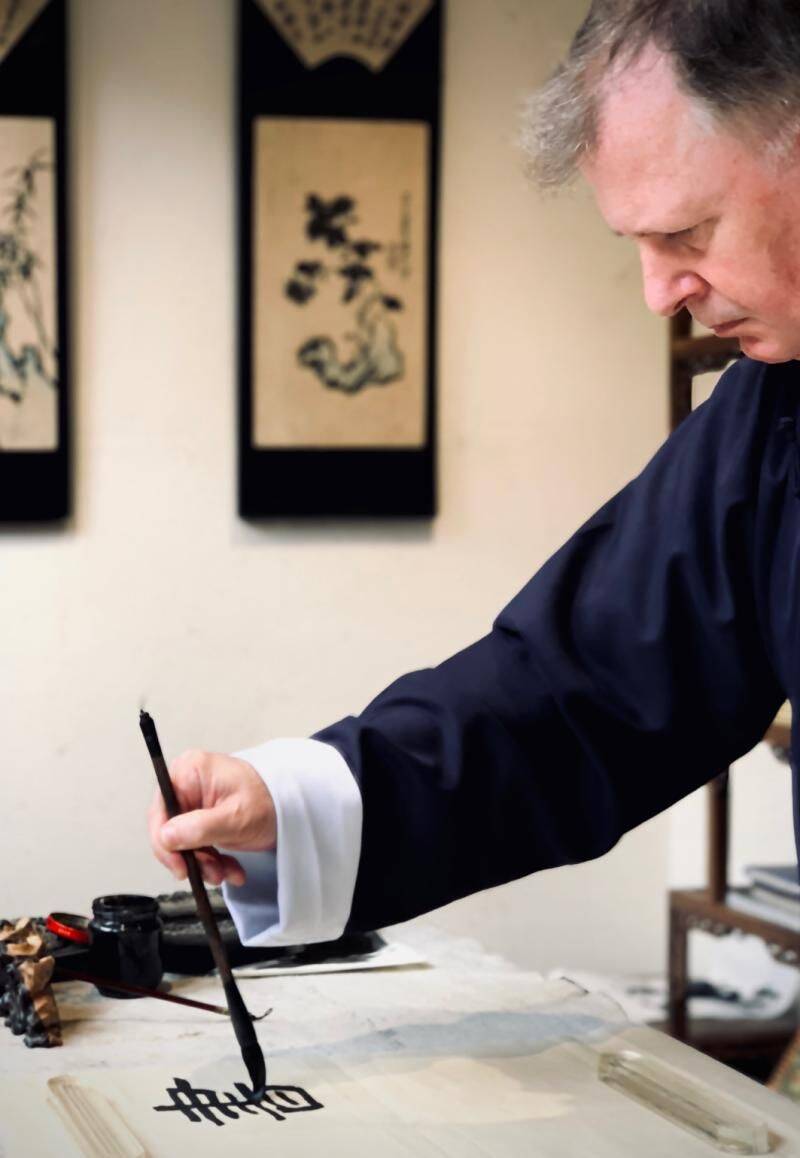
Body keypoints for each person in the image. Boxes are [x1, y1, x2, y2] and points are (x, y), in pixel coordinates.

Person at [149, 0, 800, 946]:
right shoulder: (777, 413)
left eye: (688, 234)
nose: (662, 294)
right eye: (640, 247)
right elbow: (586, 686)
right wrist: (296, 802)